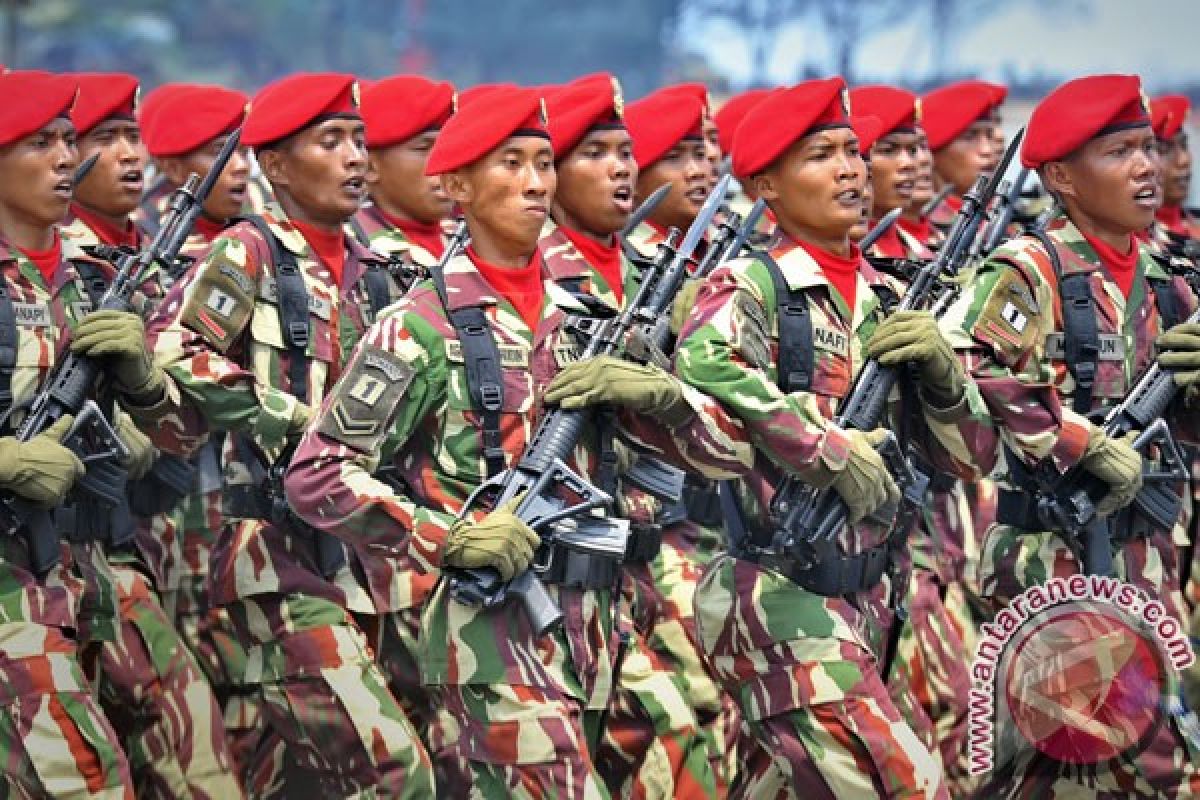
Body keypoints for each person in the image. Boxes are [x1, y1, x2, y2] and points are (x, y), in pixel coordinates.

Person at [285, 82, 748, 798]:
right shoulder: (418, 325)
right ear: (457, 186)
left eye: (542, 162)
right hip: (491, 628)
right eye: (510, 165)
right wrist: (446, 537)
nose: (535, 183)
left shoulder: (591, 321)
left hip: (598, 626)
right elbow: (317, 474)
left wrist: (668, 400)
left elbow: (722, 455)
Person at [120, 72, 433, 797]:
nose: (356, 157)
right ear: (279, 165)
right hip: (278, 556)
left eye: (359, 140)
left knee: (285, 773)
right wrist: (289, 418)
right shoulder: (248, 252)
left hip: (367, 554)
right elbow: (176, 350)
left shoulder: (379, 270)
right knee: (395, 771)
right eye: (331, 142)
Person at [675, 77, 950, 799]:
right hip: (776, 591)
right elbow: (704, 361)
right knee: (909, 785)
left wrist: (948, 379)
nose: (851, 171)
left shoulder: (894, 297)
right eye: (821, 155)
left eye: (854, 152)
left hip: (872, 596)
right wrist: (829, 451)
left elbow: (970, 457)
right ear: (766, 184)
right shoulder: (746, 286)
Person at [933, 73, 1200, 795]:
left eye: (1147, 148)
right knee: (1099, 762)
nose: (1146, 168)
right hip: (1053, 558)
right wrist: (1079, 441)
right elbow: (966, 367)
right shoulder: (1031, 270)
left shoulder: (1171, 281)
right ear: (1062, 178)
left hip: (1147, 562)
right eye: (1119, 153)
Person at [64, 71, 242, 799]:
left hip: (145, 539)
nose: (130, 154)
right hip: (59, 554)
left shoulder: (162, 249)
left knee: (192, 751)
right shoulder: (53, 266)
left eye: (134, 135)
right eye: (103, 140)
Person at [0, 67, 136, 800]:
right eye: (38, 142)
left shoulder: (90, 276)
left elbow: (176, 438)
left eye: (67, 139)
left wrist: (146, 387)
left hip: (75, 580)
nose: (64, 160)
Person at [351, 75, 455, 268]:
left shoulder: (469, 241)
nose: (445, 162)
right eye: (424, 148)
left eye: (447, 146)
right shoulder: (353, 250)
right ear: (371, 166)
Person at [920, 80, 1004, 230]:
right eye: (970, 137)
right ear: (933, 152)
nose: (987, 150)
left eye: (989, 135)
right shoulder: (923, 223)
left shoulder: (1002, 216)